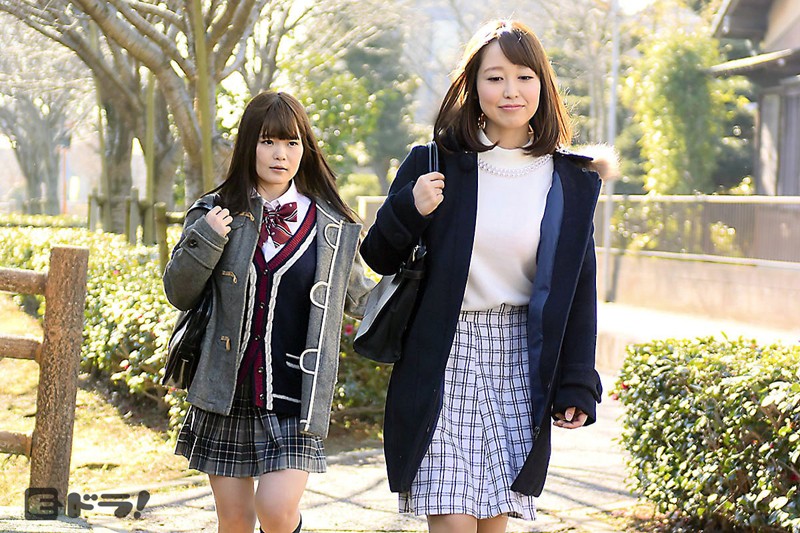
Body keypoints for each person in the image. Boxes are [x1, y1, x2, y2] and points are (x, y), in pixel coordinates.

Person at [360, 19, 615, 533]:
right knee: (453, 517)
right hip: (444, 351)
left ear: (543, 85)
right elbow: (378, 256)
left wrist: (576, 382)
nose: (511, 91)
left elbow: (579, 289)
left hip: (520, 354)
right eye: (495, 77)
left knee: (493, 518)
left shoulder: (570, 178)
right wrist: (410, 208)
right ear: (473, 86)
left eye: (524, 77)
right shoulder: (434, 162)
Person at [163, 91, 374, 533]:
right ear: (249, 145)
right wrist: (207, 238)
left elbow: (361, 300)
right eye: (268, 142)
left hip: (295, 394)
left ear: (305, 148)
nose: (281, 154)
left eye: (292, 142)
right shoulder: (215, 211)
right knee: (235, 520)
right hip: (226, 392)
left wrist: (423, 284)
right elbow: (179, 292)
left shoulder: (330, 225)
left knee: (276, 511)